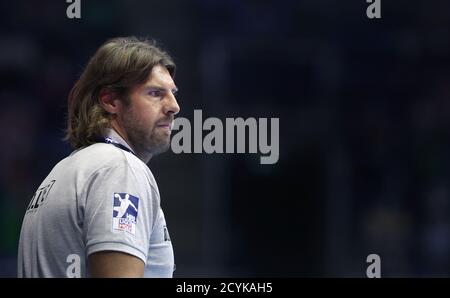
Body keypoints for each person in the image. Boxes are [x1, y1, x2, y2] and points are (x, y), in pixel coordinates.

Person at [17, 37, 180, 278]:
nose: (174, 106)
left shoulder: (63, 170)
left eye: (173, 93)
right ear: (110, 100)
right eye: (155, 93)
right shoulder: (120, 169)